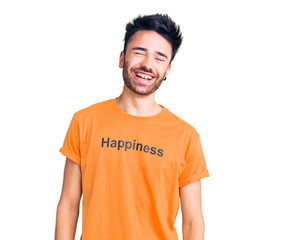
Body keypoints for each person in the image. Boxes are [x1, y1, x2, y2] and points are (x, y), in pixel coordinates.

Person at [55, 14, 210, 240]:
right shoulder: (85, 121)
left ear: (167, 70)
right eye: (139, 52)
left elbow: (193, 222)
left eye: (160, 58)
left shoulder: (185, 137)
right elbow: (68, 204)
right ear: (122, 58)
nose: (147, 64)